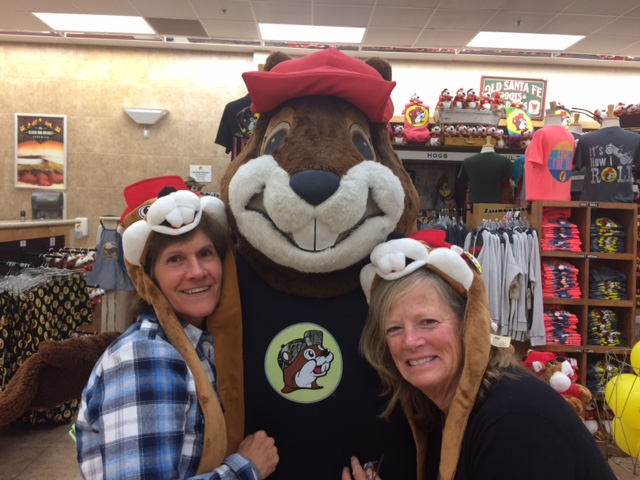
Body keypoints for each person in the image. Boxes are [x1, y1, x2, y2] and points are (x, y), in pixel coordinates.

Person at [343, 231, 616, 480]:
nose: (410, 341)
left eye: (428, 322)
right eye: (394, 329)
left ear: (468, 324)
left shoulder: (513, 421)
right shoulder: (437, 412)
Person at [76, 178, 279, 479]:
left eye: (205, 253)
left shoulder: (204, 345)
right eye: (175, 259)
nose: (196, 272)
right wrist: (247, 468)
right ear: (151, 278)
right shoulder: (146, 357)